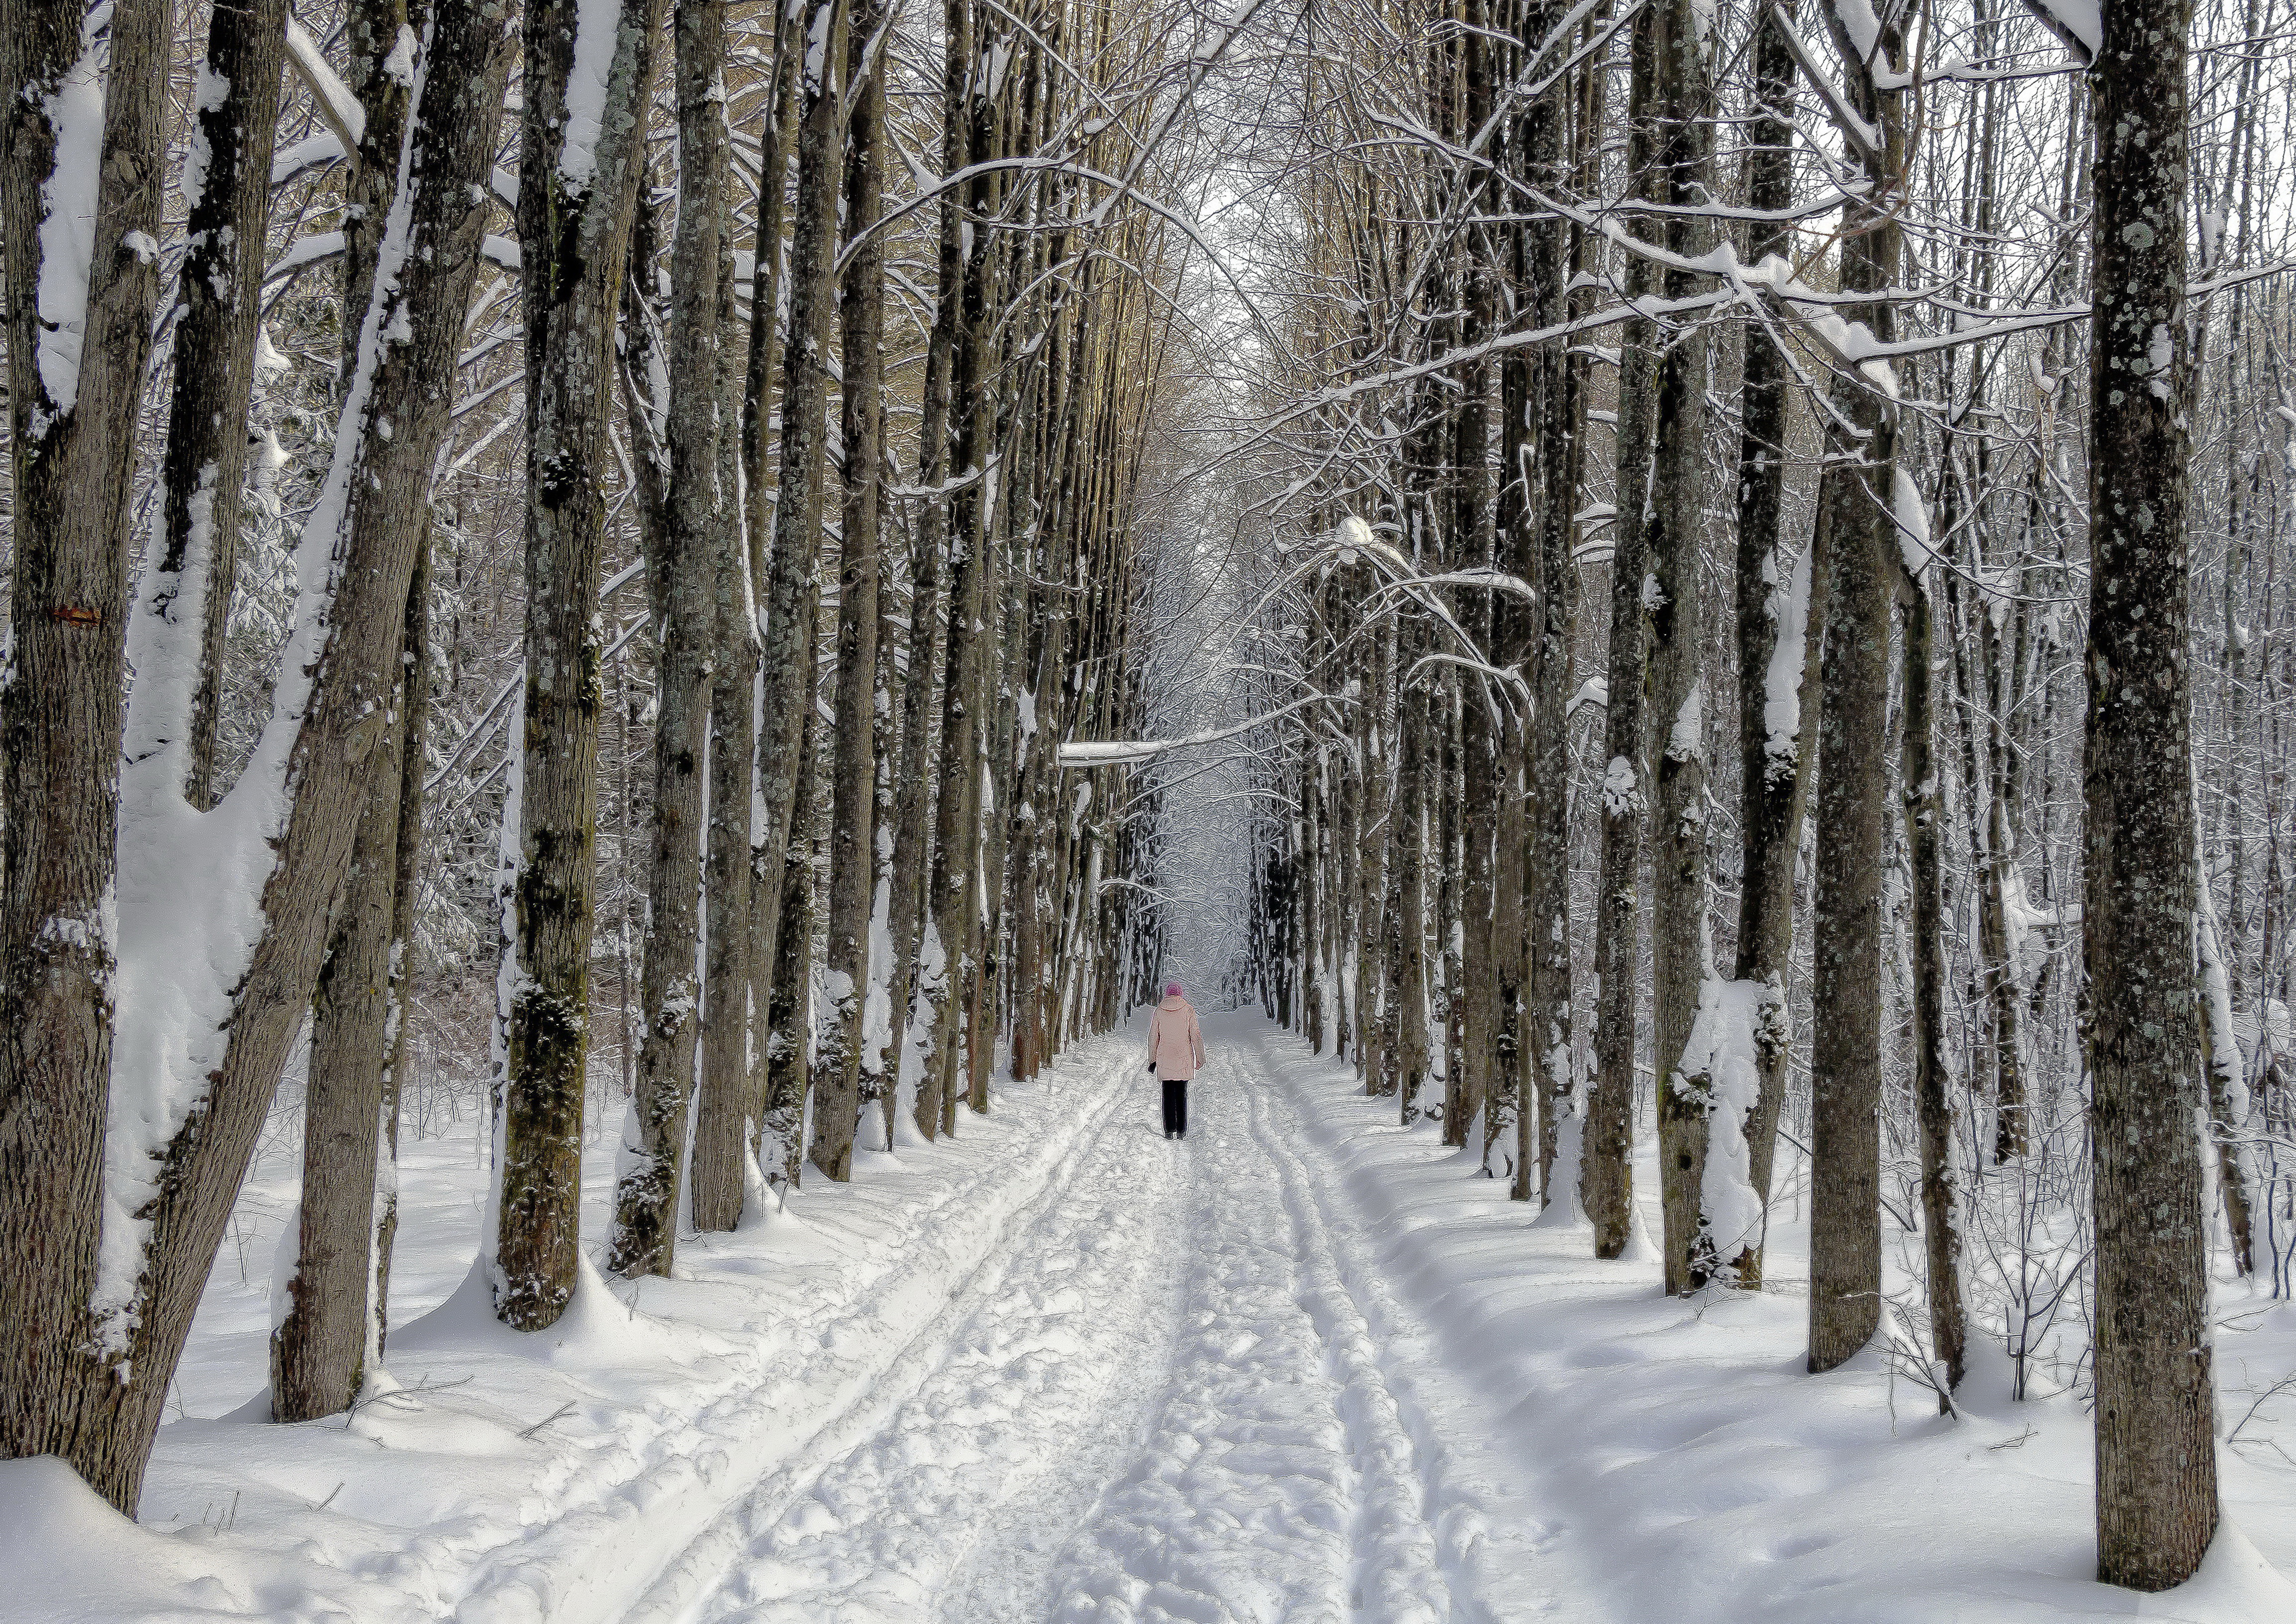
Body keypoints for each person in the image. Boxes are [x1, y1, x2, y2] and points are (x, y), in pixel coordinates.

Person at [1145, 981, 1205, 1138]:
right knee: (1181, 1095)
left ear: (1167, 994)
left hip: (1165, 1057)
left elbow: (1153, 1037)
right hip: (1183, 1057)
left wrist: (1152, 1060)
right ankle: (1182, 1130)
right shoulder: (1188, 1010)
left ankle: (1169, 1130)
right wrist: (1201, 1058)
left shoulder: (1159, 1011)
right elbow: (1196, 1036)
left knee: (1167, 1095)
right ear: (1181, 994)